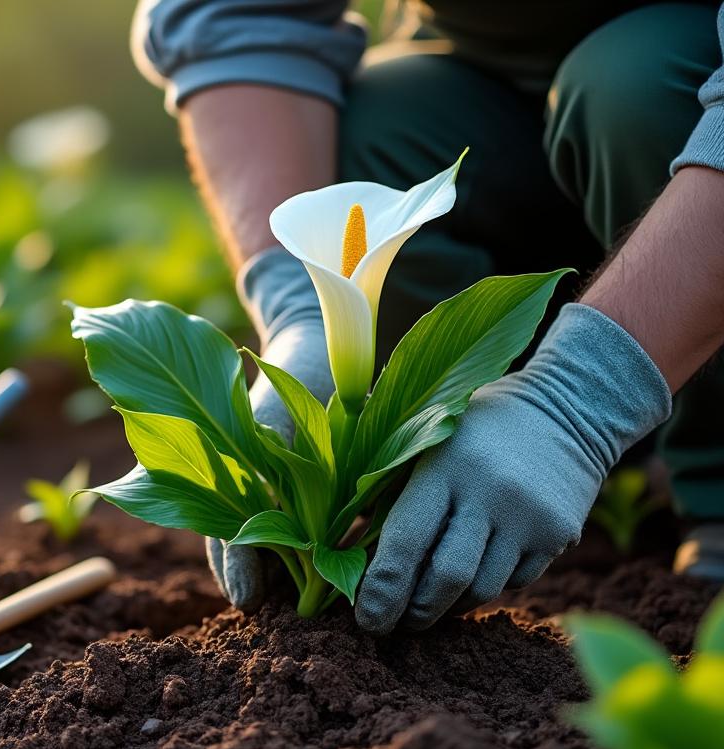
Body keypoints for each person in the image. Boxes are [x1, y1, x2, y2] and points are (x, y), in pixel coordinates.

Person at [131, 0, 724, 633]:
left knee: (631, 81)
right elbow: (234, 20)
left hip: (671, 113)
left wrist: (577, 401)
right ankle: (490, 474)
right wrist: (301, 311)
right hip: (517, 117)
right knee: (380, 121)